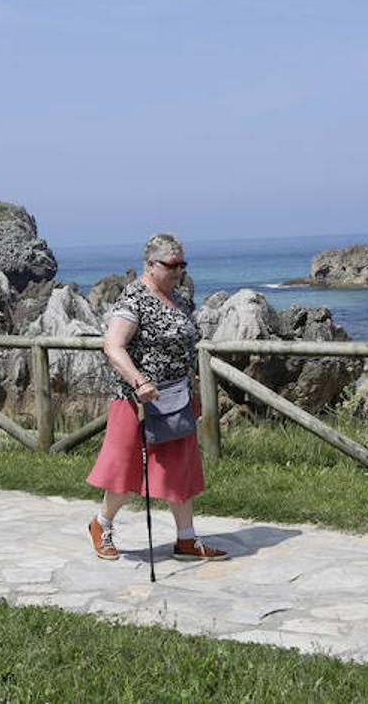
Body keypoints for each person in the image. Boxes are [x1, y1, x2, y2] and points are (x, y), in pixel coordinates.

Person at [86, 233, 228, 561]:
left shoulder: (177, 299)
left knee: (181, 468)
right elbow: (113, 345)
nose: (179, 271)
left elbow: (183, 345)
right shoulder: (133, 299)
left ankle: (186, 539)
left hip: (176, 397)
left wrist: (192, 382)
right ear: (150, 265)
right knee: (126, 469)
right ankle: (101, 524)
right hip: (138, 401)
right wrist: (139, 381)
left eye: (182, 264)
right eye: (172, 265)